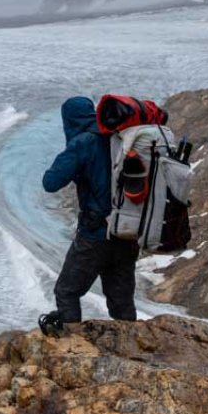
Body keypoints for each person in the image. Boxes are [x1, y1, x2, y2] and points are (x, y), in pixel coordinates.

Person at [37, 96, 137, 336]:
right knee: (121, 301)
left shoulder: (83, 143)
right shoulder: (120, 139)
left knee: (67, 291)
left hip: (95, 236)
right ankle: (132, 345)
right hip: (127, 232)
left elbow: (50, 182)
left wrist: (73, 161)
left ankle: (74, 345)